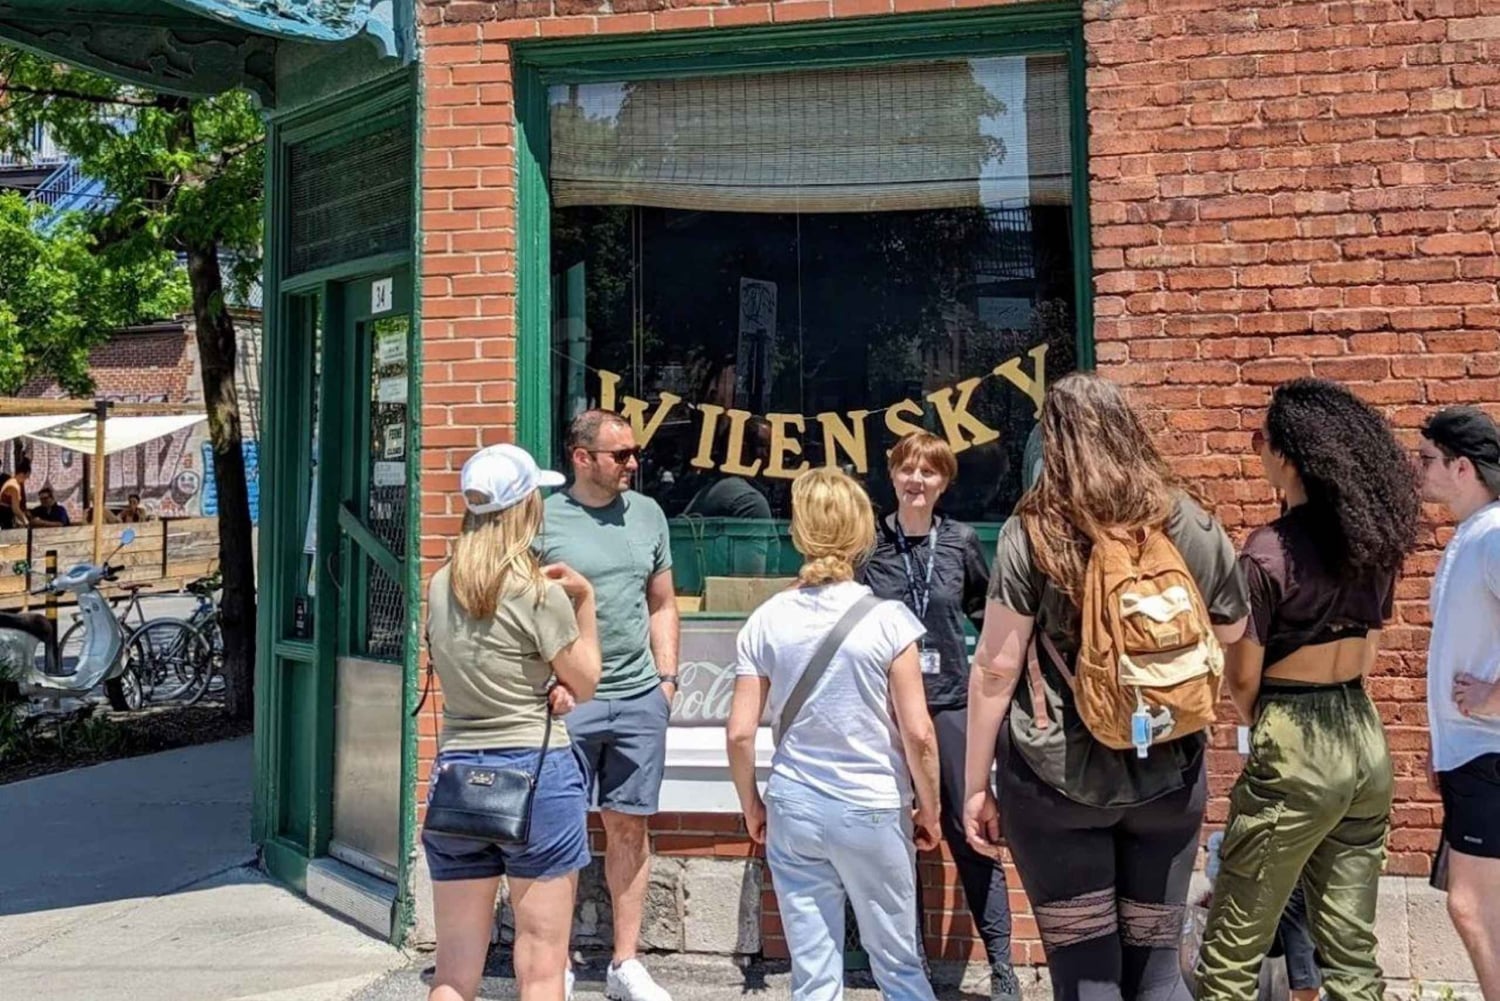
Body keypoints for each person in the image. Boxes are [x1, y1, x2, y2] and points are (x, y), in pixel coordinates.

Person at [963, 372, 1249, 1001]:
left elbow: (995, 669)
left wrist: (974, 785)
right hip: (1170, 773)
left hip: (1055, 780)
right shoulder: (1189, 522)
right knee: (1159, 970)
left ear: (1053, 442)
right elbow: (1234, 635)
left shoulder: (1033, 531)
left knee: (1087, 975)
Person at [1195, 378, 1419, 1001]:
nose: (1256, 449)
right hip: (1362, 732)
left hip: (1294, 731)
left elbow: (1242, 676)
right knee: (1350, 949)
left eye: (1262, 439)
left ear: (1289, 455)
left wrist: (1265, 723)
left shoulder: (1268, 552)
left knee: (1233, 948)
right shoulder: (1371, 543)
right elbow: (1370, 649)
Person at [726, 466, 941, 1001]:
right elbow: (917, 733)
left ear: (800, 532)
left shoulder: (765, 620)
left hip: (795, 803)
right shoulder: (890, 621)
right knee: (898, 964)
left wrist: (752, 802)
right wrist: (930, 807)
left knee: (814, 974)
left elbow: (738, 734)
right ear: (861, 533)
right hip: (871, 803)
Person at [422, 443, 602, 1001]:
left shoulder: (439, 585)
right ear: (525, 506)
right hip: (533, 773)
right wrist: (586, 601)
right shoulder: (536, 592)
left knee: (453, 971)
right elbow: (587, 680)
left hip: (457, 776)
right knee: (541, 964)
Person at [857, 430, 1019, 1001]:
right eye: (908, 470)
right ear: (893, 475)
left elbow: (986, 613)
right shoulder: (869, 543)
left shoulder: (961, 541)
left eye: (929, 473)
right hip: (883, 707)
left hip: (948, 700)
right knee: (887, 836)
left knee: (966, 830)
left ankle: (1002, 964)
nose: (917, 481)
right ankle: (904, 967)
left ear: (944, 481)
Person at [534, 410, 680, 1001]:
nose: (632, 464)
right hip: (570, 699)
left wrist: (666, 680)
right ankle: (555, 963)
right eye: (619, 455)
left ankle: (625, 963)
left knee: (629, 828)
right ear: (581, 457)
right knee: (560, 831)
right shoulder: (542, 518)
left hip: (639, 695)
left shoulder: (647, 514)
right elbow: (518, 611)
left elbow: (662, 601)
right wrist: (546, 681)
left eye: (633, 453)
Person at [1416, 405, 1500, 1000]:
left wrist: (1496, 697)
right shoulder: (1475, 536)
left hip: (1488, 751)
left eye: (1427, 460)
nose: (1417, 470)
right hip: (1469, 752)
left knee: (1470, 907)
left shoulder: (1494, 536)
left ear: (1462, 466)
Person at [0, 457, 31, 530]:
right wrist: (26, 522)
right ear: (25, 473)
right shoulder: (13, 486)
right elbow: (15, 508)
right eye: (28, 476)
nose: (27, 479)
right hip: (3, 518)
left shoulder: (11, 482)